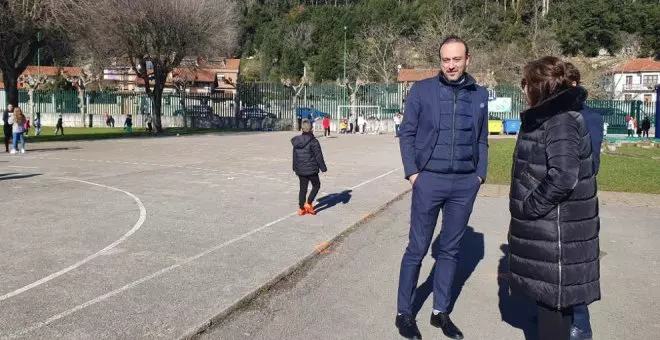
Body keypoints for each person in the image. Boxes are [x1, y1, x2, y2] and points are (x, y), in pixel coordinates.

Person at [396, 35, 489, 340]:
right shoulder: (422, 91)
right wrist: (413, 174)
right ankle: (404, 313)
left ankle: (440, 313)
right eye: (446, 60)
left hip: (464, 183)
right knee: (417, 249)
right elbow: (407, 133)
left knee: (450, 251)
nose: (451, 65)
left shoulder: (480, 95)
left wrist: (479, 176)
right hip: (429, 180)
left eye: (456, 59)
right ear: (441, 61)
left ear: (467, 60)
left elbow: (481, 139)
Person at [508, 56, 600, 340]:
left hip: (556, 236)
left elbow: (563, 176)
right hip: (546, 234)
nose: (523, 89)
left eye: (526, 83)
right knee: (550, 315)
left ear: (540, 87)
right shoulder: (548, 118)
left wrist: (529, 207)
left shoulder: (561, 120)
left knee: (554, 321)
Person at [565, 62, 603, 340]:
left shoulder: (588, 117)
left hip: (576, 200)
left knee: (574, 263)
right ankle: (555, 313)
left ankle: (580, 323)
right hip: (555, 199)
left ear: (574, 85)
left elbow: (591, 164)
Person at [291, 119, 327, 216]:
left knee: (303, 189)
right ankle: (308, 203)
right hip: (311, 170)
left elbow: (294, 156)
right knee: (316, 185)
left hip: (301, 170)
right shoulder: (314, 141)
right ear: (311, 129)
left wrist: (295, 168)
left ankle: (301, 208)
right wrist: (323, 169)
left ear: (302, 129)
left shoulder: (297, 141)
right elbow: (318, 156)